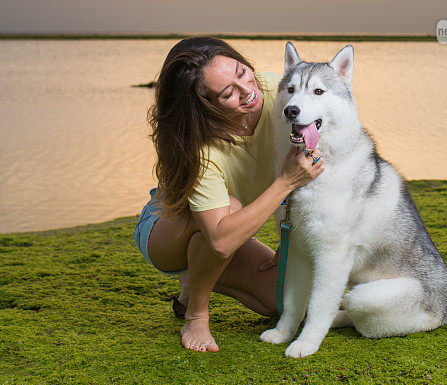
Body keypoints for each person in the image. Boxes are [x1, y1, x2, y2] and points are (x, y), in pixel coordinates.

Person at [133, 36, 324, 353]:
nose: (247, 90)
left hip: (225, 227)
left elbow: (313, 155)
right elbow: (221, 240)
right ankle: (196, 314)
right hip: (166, 230)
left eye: (241, 71)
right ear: (205, 104)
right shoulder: (198, 149)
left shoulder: (279, 95)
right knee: (226, 219)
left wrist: (288, 237)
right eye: (227, 93)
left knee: (287, 303)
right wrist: (286, 183)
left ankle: (196, 277)